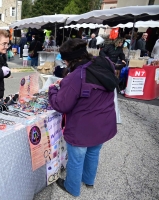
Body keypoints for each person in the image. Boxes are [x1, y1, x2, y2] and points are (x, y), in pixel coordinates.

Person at [48, 38, 118, 197]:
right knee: (94, 151)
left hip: (82, 128)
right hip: (103, 123)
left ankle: (72, 188)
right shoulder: (105, 63)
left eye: (65, 61)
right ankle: (89, 180)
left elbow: (61, 105)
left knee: (77, 158)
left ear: (68, 60)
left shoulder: (76, 76)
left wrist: (52, 90)